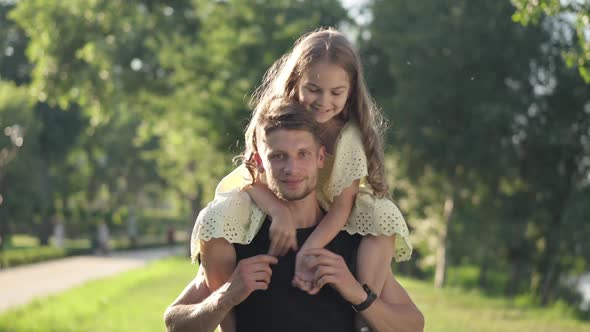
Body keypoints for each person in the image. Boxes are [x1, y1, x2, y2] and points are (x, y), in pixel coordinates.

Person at [164, 100, 424, 332]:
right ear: (259, 161)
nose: (292, 168)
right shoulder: (238, 236)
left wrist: (358, 294)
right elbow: (174, 323)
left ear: (321, 157)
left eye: (303, 154)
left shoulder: (351, 238)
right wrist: (226, 296)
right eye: (278, 156)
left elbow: (414, 325)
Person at [192, 27, 411, 298]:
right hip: (273, 192)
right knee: (219, 215)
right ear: (297, 80)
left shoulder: (348, 137)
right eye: (314, 89)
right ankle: (225, 309)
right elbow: (251, 178)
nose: (324, 101)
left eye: (336, 92)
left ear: (351, 90)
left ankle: (364, 307)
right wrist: (279, 212)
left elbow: (343, 206)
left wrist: (310, 248)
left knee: (382, 214)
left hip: (329, 206)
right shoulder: (277, 117)